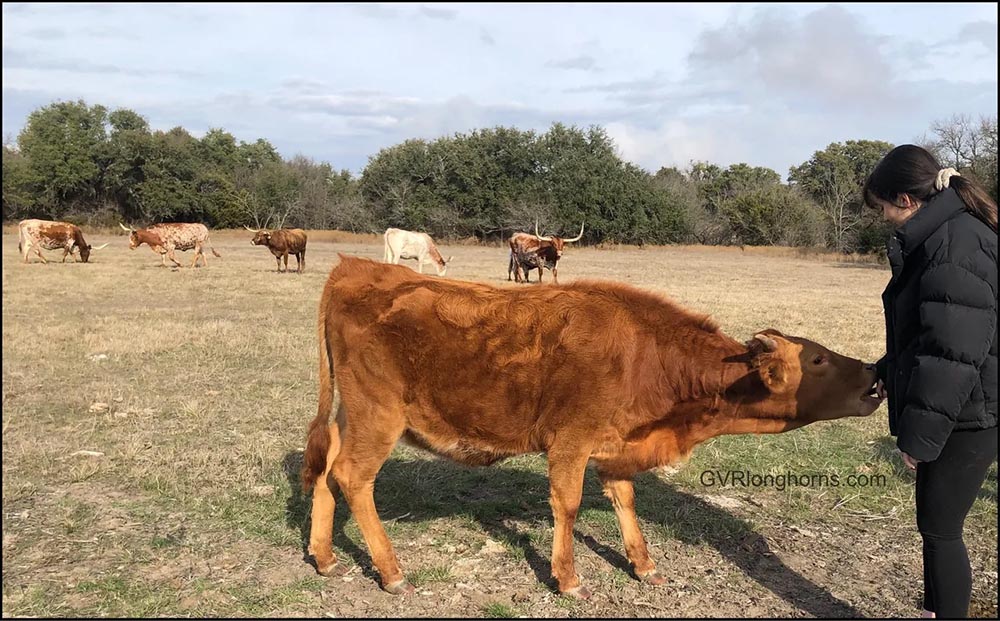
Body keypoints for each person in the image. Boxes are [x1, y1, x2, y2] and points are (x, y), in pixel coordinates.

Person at [864, 144, 997, 619]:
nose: (884, 219)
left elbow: (953, 354)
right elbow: (930, 332)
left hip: (970, 413)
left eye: (882, 209)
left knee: (942, 531)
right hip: (964, 406)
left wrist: (919, 440)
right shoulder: (948, 234)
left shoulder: (954, 243)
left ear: (905, 199)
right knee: (934, 528)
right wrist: (886, 370)